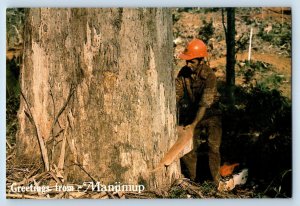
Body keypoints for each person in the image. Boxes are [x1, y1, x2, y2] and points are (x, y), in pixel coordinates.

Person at [175, 38, 222, 184]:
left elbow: (204, 104)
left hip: (210, 114)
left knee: (212, 147)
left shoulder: (210, 76)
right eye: (187, 61)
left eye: (192, 62)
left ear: (201, 61)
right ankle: (193, 180)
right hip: (194, 113)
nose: (188, 64)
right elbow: (176, 93)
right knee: (188, 147)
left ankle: (215, 182)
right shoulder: (183, 73)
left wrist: (194, 124)